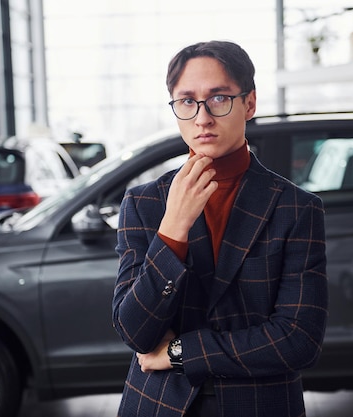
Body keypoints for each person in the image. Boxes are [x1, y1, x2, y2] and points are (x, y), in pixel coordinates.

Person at [112, 40, 328, 417]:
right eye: (186, 101)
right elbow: (134, 332)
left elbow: (298, 339)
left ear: (250, 103)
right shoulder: (144, 204)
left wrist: (181, 352)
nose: (202, 118)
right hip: (159, 405)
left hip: (261, 406)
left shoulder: (297, 208)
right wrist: (173, 230)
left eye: (218, 98)